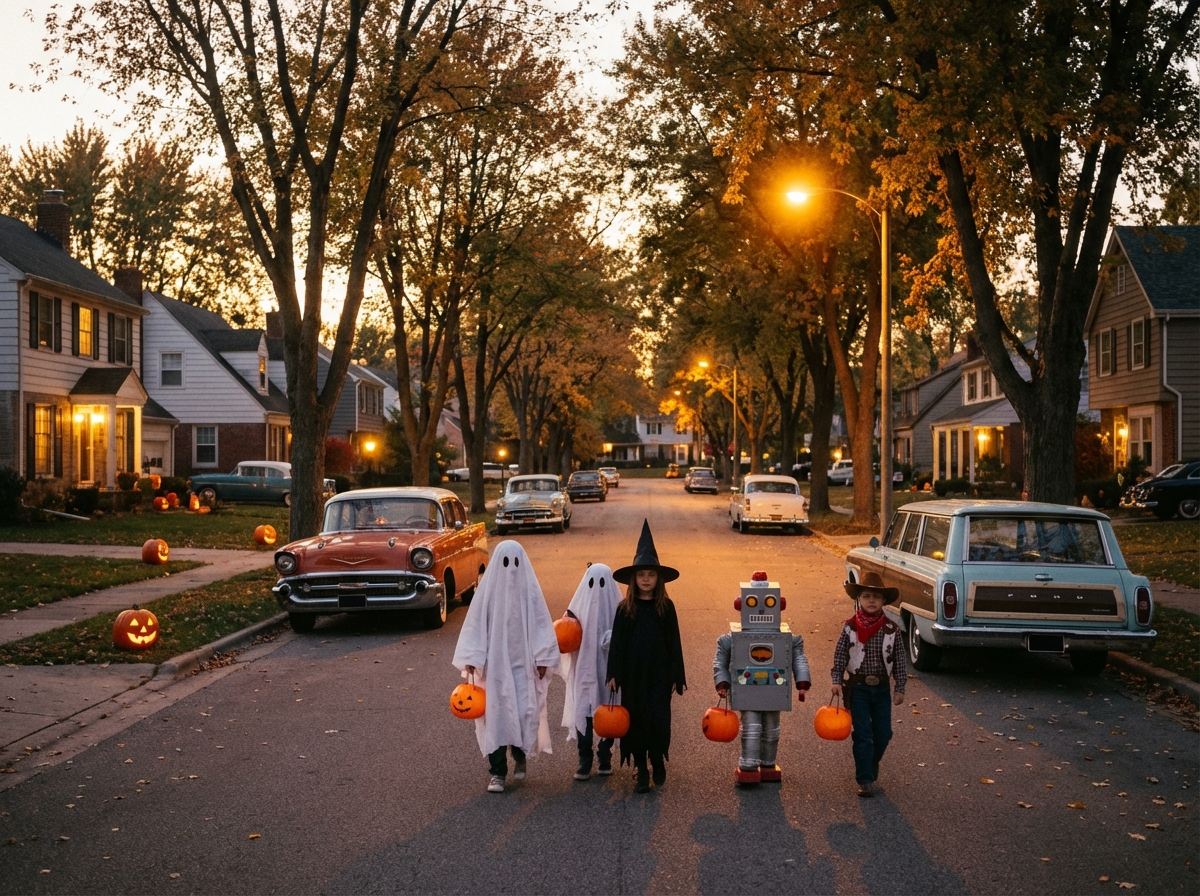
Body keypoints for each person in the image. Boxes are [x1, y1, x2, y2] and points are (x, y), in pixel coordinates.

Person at [452, 541, 560, 794]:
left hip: (524, 665)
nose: (510, 570)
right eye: (504, 563)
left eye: (515, 563)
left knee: (523, 712)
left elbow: (543, 624)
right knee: (496, 718)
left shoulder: (530, 593)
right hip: (494, 668)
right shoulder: (487, 594)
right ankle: (497, 772)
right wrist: (472, 656)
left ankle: (520, 754)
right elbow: (475, 625)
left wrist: (543, 658)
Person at [606, 520, 687, 793]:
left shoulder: (666, 607)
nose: (646, 579)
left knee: (658, 719)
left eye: (651, 575)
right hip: (633, 676)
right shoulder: (625, 609)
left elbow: (674, 642)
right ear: (633, 579)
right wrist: (613, 674)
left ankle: (657, 759)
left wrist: (678, 675)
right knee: (636, 722)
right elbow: (617, 644)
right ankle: (640, 768)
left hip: (659, 676)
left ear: (658, 579)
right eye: (641, 575)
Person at [712, 570, 811, 785]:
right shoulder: (732, 638)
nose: (760, 608)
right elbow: (720, 660)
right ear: (741, 604)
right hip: (748, 690)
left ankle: (768, 762)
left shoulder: (788, 638)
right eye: (751, 603)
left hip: (774, 690)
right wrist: (723, 682)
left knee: (772, 727)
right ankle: (749, 763)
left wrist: (802, 682)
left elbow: (798, 658)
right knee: (752, 726)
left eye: (768, 603)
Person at [830, 571, 907, 797]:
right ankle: (864, 779)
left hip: (881, 688)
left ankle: (870, 763)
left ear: (884, 601)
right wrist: (836, 680)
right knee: (863, 734)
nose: (871, 601)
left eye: (876, 597)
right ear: (859, 600)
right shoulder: (850, 627)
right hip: (858, 688)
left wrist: (899, 686)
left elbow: (900, 660)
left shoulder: (891, 629)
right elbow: (840, 656)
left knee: (884, 733)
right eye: (866, 596)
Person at [559, 563, 623, 780]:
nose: (597, 590)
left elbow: (625, 636)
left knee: (609, 711)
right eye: (592, 583)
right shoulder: (575, 608)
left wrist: (610, 639)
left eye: (602, 583)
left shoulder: (619, 607)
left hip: (609, 670)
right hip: (584, 668)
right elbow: (565, 633)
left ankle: (605, 756)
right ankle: (584, 759)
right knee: (584, 710)